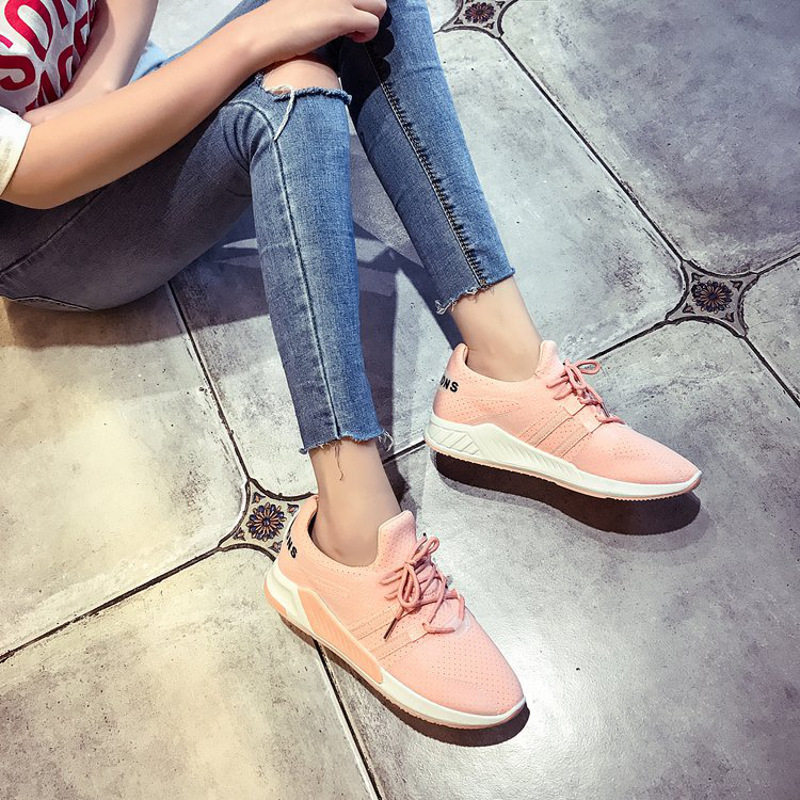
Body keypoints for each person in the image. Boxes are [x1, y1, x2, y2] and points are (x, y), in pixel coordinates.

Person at [0, 0, 701, 728]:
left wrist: (94, 94)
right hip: (41, 231)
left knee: (363, 6)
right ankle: (347, 540)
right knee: (290, 91)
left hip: (116, 110)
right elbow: (30, 173)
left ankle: (505, 369)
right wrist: (252, 38)